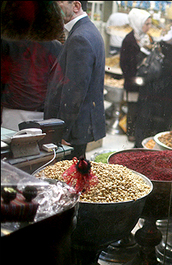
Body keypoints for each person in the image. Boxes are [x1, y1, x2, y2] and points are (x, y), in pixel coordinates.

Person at [44, 1, 105, 159]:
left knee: (69, 177)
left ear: (76, 6)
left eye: (59, 2)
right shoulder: (87, 30)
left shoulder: (80, 37)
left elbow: (74, 92)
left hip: (73, 130)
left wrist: (62, 131)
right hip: (78, 126)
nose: (54, 7)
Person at [133, 26, 172, 148]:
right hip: (168, 94)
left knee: (145, 121)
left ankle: (140, 146)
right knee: (163, 124)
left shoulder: (156, 47)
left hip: (150, 91)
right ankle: (158, 148)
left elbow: (140, 62)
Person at [1, 39, 62, 130]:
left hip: (14, 111)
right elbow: (59, 80)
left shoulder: (9, 41)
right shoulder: (55, 46)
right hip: (43, 112)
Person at [120, 8, 153, 143]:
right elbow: (125, 63)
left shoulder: (148, 38)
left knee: (141, 108)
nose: (149, 27)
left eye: (150, 24)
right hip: (132, 80)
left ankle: (139, 131)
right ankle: (130, 132)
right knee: (132, 108)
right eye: (147, 24)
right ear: (138, 24)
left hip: (144, 81)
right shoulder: (129, 40)